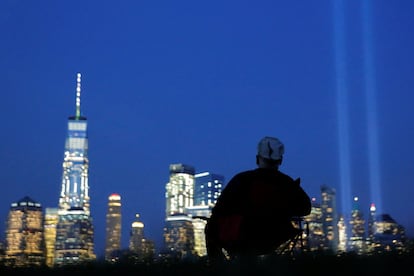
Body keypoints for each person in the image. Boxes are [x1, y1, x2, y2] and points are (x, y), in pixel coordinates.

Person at [204, 136, 312, 265]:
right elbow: (306, 208)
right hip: (275, 236)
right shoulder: (287, 183)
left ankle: (218, 268)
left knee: (210, 227)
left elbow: (219, 210)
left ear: (257, 159)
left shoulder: (241, 179)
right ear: (280, 160)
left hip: (242, 237)